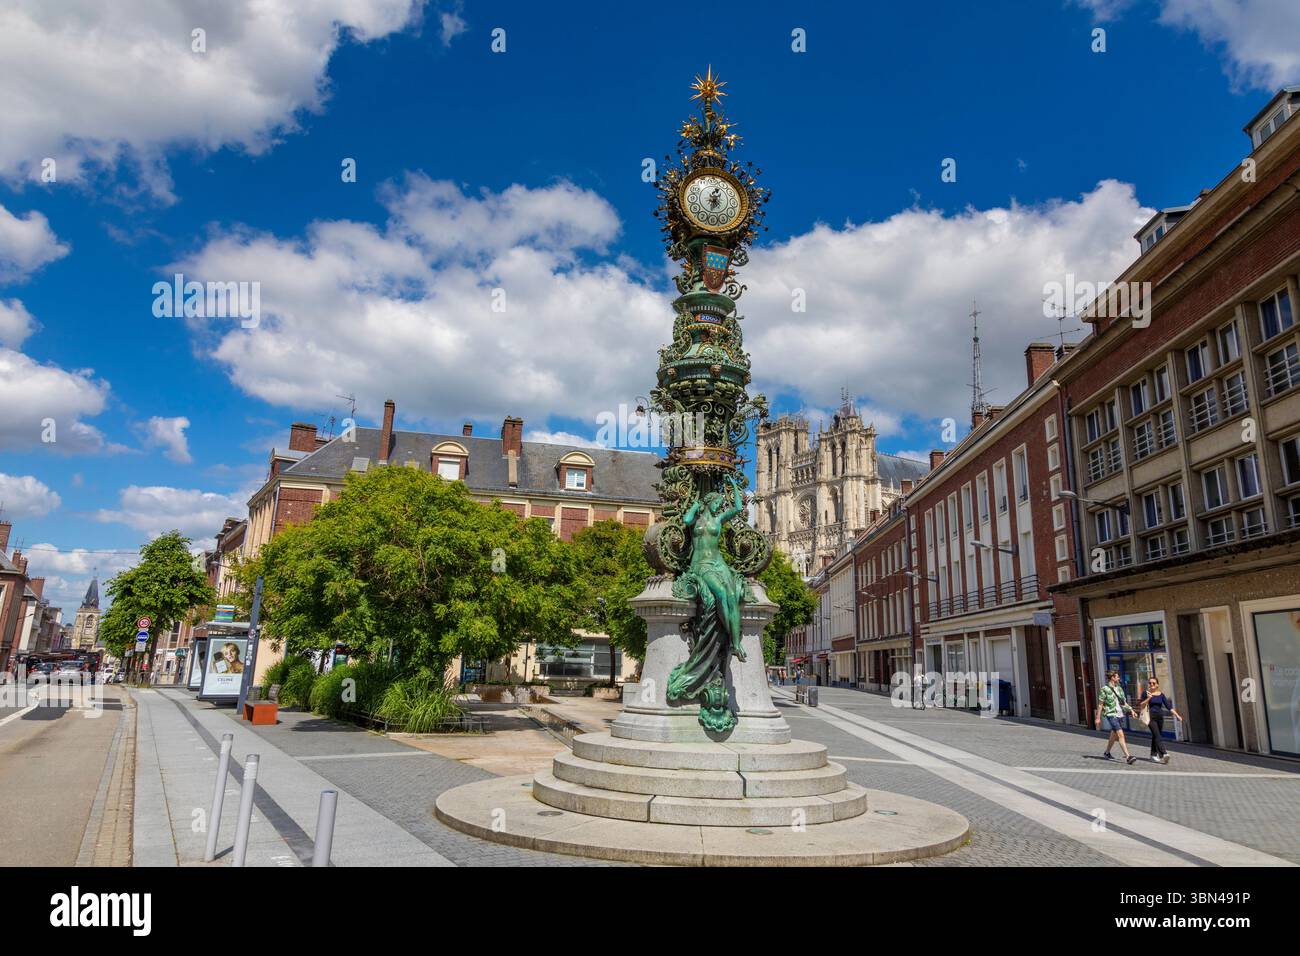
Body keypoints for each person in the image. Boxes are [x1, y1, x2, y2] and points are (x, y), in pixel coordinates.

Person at [1095, 670, 1139, 764]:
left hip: (1120, 714)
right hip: (1111, 714)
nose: (1119, 678)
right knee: (1120, 734)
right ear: (1112, 678)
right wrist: (1098, 718)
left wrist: (1131, 710)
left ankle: (1107, 752)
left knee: (1113, 735)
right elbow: (1100, 704)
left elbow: (1123, 702)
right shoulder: (1104, 689)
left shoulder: (1119, 689)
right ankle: (1128, 757)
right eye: (1117, 677)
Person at [1138, 677, 1183, 764]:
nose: (1151, 685)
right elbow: (1141, 705)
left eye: (1153, 683)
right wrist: (1148, 698)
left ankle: (1153, 755)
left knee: (1156, 736)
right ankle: (1164, 754)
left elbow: (1168, 706)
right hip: (1150, 717)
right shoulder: (1145, 693)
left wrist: (1177, 715)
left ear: (1157, 685)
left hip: (1159, 717)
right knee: (1157, 735)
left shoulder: (1161, 695)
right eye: (1150, 683)